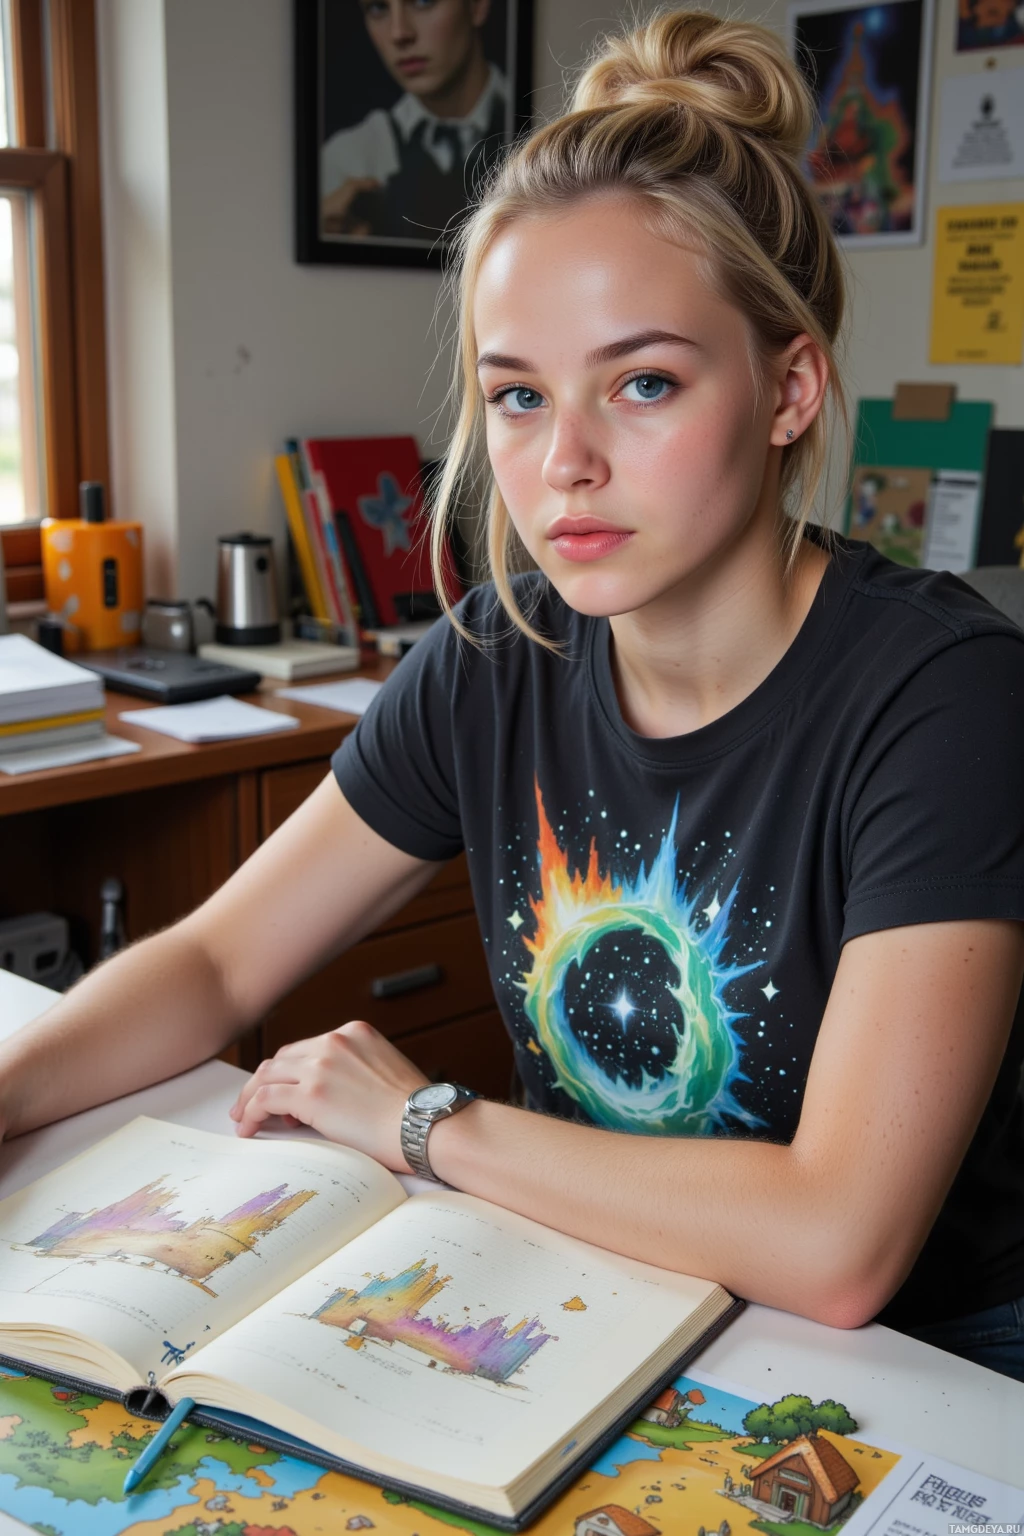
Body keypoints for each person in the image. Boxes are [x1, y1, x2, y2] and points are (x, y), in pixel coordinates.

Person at [4, 10, 1024, 1383]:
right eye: (520, 398)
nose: (564, 466)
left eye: (644, 383)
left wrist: (427, 1121)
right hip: (613, 1302)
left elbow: (840, 1241)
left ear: (789, 390)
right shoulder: (499, 654)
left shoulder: (946, 700)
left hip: (929, 1366)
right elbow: (215, 961)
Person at [320, 0, 508, 241]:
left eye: (423, 1)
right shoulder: (346, 161)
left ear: (477, 6)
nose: (399, 34)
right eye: (377, 8)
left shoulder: (542, 130)